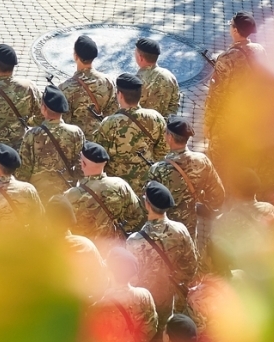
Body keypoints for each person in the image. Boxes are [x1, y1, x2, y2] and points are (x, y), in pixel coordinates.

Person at [126, 181, 197, 326]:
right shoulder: (180, 230)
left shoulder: (134, 241)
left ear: (147, 205)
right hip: (175, 303)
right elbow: (191, 266)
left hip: (147, 306)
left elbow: (131, 280)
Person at [148, 116, 225, 247]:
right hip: (189, 229)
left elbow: (148, 205)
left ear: (169, 138)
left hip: (163, 233)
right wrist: (201, 206)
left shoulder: (158, 168)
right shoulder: (202, 161)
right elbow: (218, 196)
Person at [94, 72, 167, 196]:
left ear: (120, 95)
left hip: (117, 187)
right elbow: (163, 149)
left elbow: (100, 155)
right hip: (147, 183)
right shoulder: (156, 118)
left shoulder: (109, 123)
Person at [203, 12, 266, 156]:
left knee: (219, 160)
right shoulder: (259, 50)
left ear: (235, 30)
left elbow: (216, 95)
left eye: (230, 25)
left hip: (227, 120)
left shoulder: (227, 58)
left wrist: (208, 123)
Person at [63, 142, 144, 240]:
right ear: (105, 163)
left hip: (85, 247)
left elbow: (61, 227)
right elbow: (138, 215)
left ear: (83, 164)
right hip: (114, 246)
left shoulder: (71, 195)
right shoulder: (121, 185)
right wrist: (119, 233)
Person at [17, 86, 84, 201]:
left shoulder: (32, 134)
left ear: (43, 108)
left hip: (38, 194)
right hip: (66, 193)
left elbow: (24, 169)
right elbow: (80, 166)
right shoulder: (75, 132)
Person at [59, 33, 118, 138]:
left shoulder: (66, 87)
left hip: (77, 141)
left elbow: (64, 122)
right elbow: (113, 114)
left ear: (75, 56)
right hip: (101, 140)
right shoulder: (108, 82)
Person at [134, 37, 180, 117]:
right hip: (165, 123)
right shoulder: (170, 77)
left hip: (142, 123)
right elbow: (175, 104)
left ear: (140, 58)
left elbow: (130, 108)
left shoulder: (137, 81)